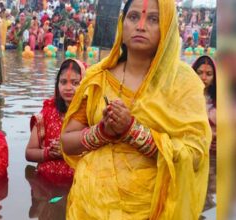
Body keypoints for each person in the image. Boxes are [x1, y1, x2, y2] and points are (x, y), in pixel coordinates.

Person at [60, 0, 211, 219]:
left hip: (152, 209)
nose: (141, 26)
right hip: (88, 206)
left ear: (167, 27)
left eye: (153, 19)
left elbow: (195, 153)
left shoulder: (182, 83)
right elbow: (67, 142)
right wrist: (101, 133)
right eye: (133, 17)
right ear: (122, 25)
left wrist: (133, 131)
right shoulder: (98, 78)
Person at [25, 59, 86, 185]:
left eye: (75, 83)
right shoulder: (47, 113)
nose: (68, 88)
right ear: (57, 85)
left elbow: (100, 154)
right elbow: (29, 153)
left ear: (85, 84)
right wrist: (49, 153)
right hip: (44, 184)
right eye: (63, 82)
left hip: (79, 184)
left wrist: (68, 151)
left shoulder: (90, 115)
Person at [192, 55, 216, 151]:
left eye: (209, 74)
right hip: (193, 149)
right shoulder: (184, 98)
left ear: (215, 78)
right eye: (199, 73)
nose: (203, 78)